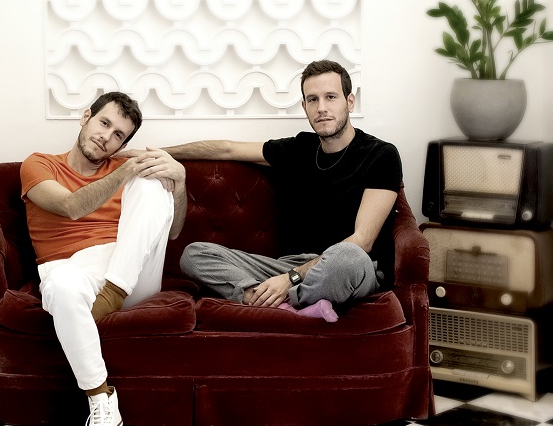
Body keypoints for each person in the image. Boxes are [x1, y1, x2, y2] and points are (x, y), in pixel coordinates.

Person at [121, 60, 402, 317]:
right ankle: (294, 305)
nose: (321, 108)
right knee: (194, 255)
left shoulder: (381, 155)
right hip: (286, 266)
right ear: (304, 106)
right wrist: (156, 152)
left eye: (331, 97)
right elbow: (227, 149)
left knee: (348, 258)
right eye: (312, 99)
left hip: (341, 268)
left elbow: (362, 240)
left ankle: (278, 302)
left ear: (349, 102)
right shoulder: (299, 148)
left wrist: (288, 280)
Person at [21, 91, 186, 426]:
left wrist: (180, 179)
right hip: (72, 271)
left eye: (118, 136)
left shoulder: (127, 171)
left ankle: (112, 294)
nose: (106, 137)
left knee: (153, 183)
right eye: (104, 123)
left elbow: (172, 232)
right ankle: (102, 404)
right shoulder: (39, 164)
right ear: (86, 117)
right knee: (61, 287)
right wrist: (126, 168)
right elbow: (70, 206)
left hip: (128, 268)